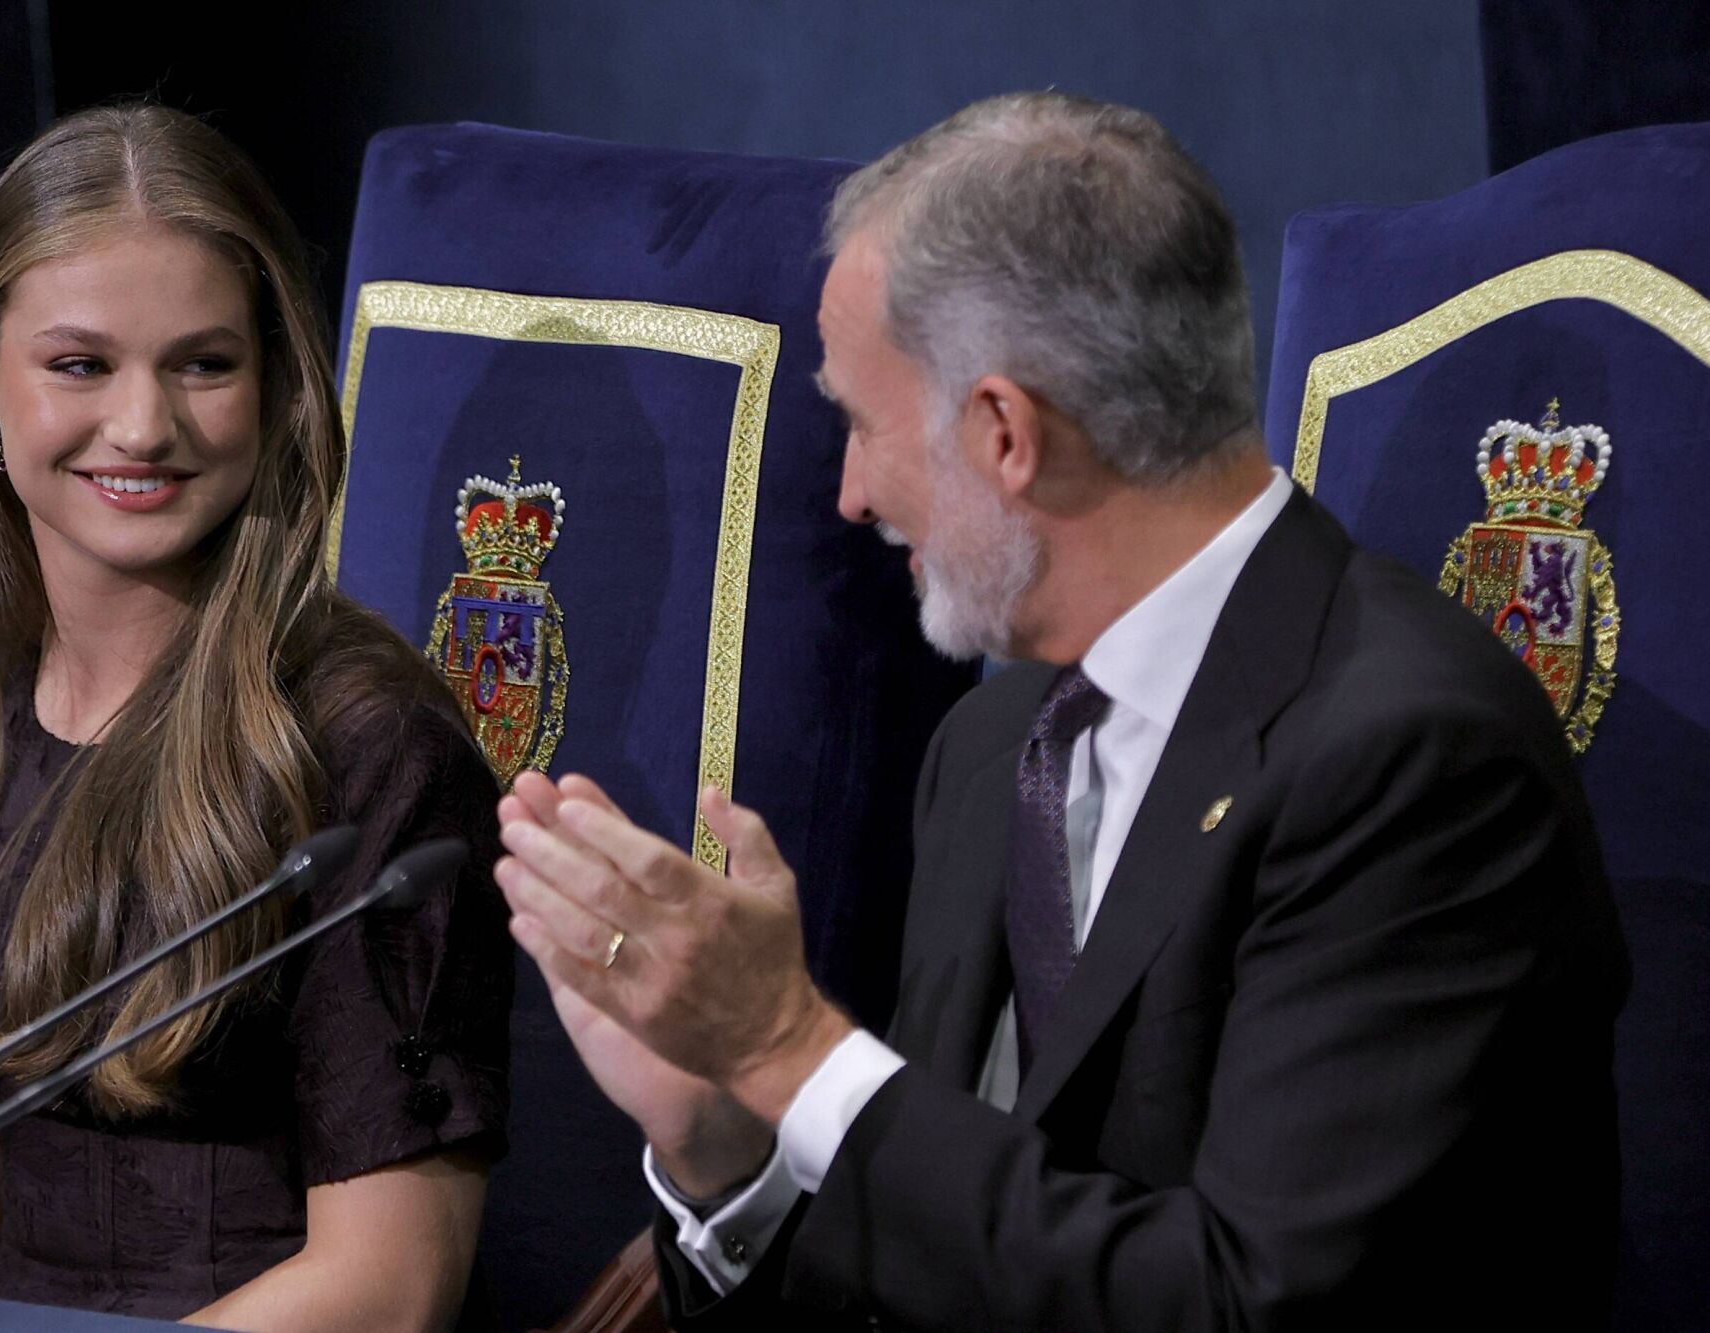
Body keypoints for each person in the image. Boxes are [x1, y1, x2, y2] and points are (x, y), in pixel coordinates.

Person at [494, 92, 1626, 1330]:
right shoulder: (990, 748)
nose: (852, 495)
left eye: (863, 426)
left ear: (1003, 434)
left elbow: (1245, 1307)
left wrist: (785, 1043)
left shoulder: (1409, 756)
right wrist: (723, 1145)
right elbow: (956, 1261)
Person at [0, 104, 509, 1331]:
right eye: (80, 364)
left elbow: (392, 1284)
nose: (145, 425)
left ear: (271, 389)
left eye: (202, 364)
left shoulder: (366, 752)